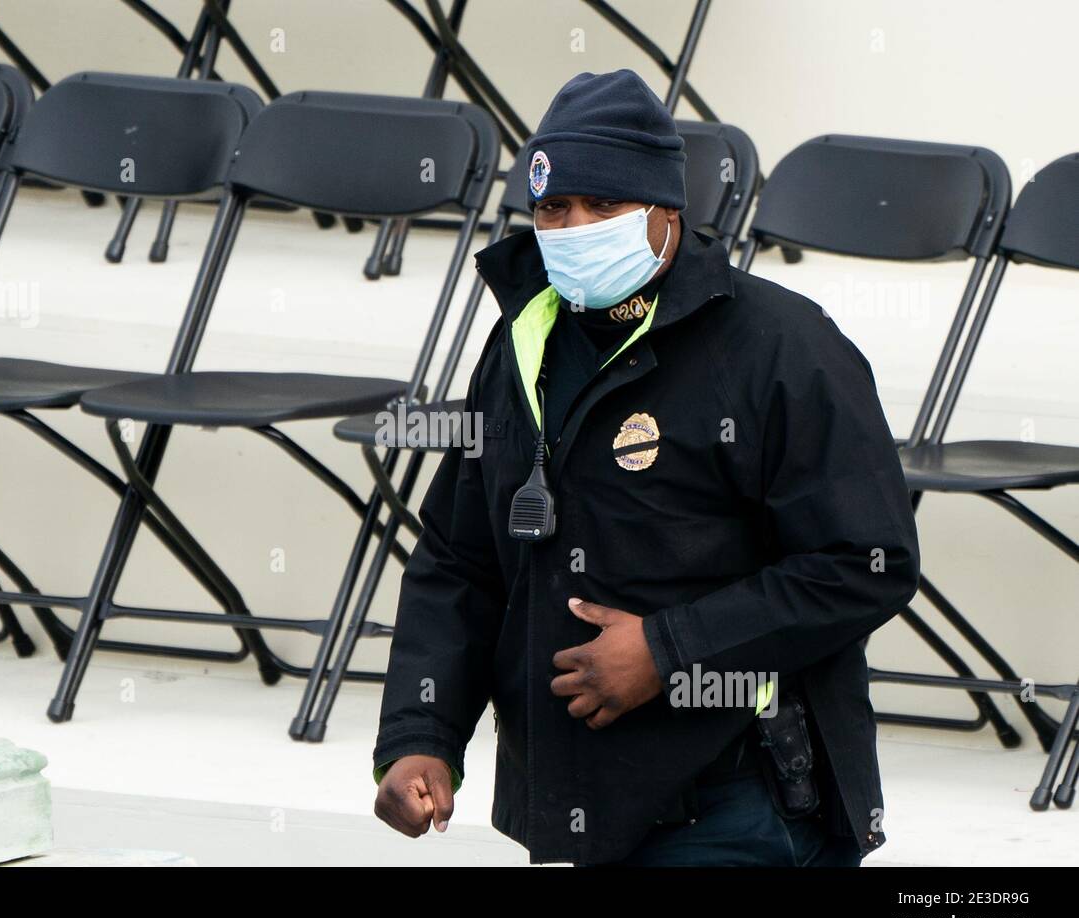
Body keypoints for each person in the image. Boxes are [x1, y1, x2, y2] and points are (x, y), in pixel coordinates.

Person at [372, 69, 920, 866]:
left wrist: (670, 652)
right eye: (554, 207)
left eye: (604, 205)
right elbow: (460, 559)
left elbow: (867, 563)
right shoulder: (520, 346)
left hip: (744, 806)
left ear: (668, 211)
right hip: (573, 805)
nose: (574, 226)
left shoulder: (781, 349)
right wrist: (421, 734)